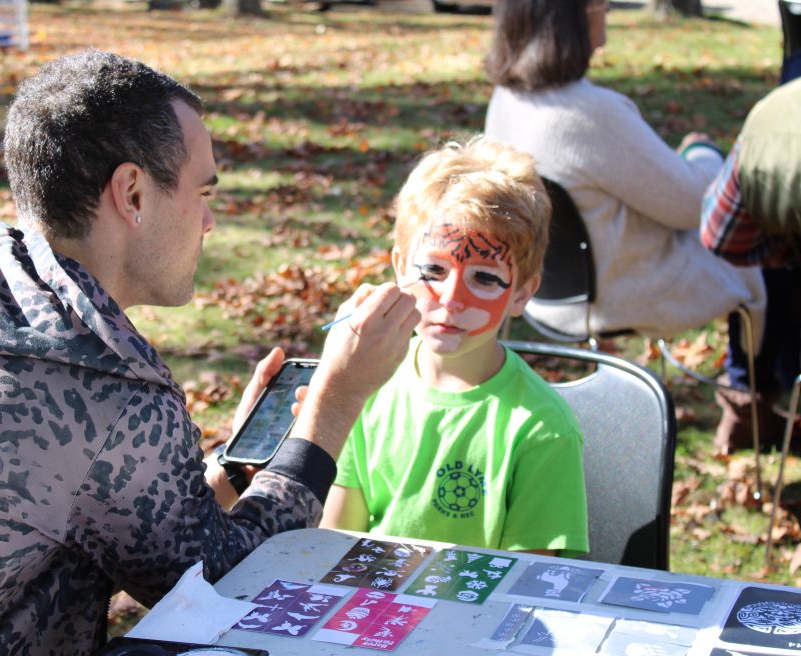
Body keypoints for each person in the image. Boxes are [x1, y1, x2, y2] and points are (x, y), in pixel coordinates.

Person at [0, 51, 420, 656]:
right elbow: (229, 584)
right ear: (132, 193)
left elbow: (99, 507)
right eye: (201, 192)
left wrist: (227, 465)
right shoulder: (103, 384)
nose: (209, 221)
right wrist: (334, 404)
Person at [321, 138, 589, 558]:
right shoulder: (365, 387)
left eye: (484, 278)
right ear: (400, 267)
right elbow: (335, 548)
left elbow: (527, 580)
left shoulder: (542, 427)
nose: (451, 299)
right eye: (433, 270)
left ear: (521, 292)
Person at [483, 1, 766, 360]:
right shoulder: (591, 113)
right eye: (602, 2)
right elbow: (694, 205)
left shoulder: (506, 98)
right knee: (759, 245)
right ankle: (755, 385)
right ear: (574, 15)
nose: (608, 10)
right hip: (619, 294)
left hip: (540, 290)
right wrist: (703, 151)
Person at [701, 77, 801, 450]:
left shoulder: (775, 110)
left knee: (767, 267)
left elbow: (719, 234)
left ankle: (746, 407)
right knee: (770, 270)